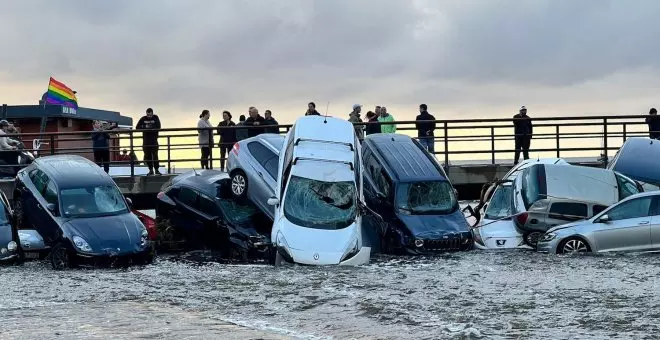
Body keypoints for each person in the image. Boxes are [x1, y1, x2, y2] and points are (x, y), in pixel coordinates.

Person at [136, 108, 162, 175]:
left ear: (152, 113)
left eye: (150, 115)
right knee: (147, 156)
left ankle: (156, 170)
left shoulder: (156, 118)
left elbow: (159, 127)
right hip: (146, 141)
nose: (149, 116)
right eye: (148, 115)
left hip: (154, 140)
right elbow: (137, 127)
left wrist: (151, 128)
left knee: (155, 155)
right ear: (146, 114)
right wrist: (145, 128)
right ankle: (150, 170)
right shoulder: (143, 119)